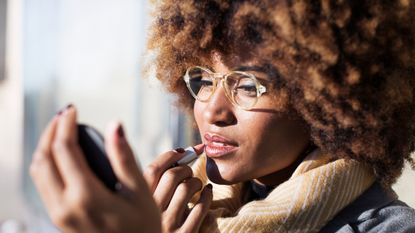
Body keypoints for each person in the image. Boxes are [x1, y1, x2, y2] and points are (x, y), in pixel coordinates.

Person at [30, 1, 415, 232]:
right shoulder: (187, 213)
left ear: (327, 102)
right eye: (203, 79)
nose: (212, 109)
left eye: (247, 85)